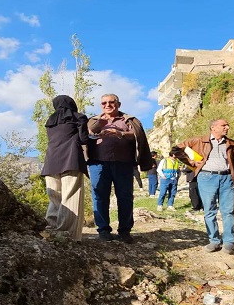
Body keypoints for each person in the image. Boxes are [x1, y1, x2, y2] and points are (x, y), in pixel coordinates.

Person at [171, 119, 234, 254]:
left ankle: (229, 242)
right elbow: (176, 149)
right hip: (206, 177)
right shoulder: (198, 141)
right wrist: (190, 161)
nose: (227, 127)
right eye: (224, 125)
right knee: (209, 210)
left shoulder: (232, 143)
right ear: (213, 127)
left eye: (227, 125)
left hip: (227, 178)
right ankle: (214, 241)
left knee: (228, 211)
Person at [87, 94, 152, 243]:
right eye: (104, 103)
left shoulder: (129, 120)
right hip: (98, 164)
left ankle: (124, 231)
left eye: (111, 102)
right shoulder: (93, 120)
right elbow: (87, 135)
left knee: (125, 197)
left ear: (119, 104)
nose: (107, 105)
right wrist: (98, 128)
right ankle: (103, 230)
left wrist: (120, 133)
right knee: (99, 197)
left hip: (123, 164)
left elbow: (137, 136)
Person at [41, 95, 89, 242]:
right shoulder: (78, 118)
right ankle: (69, 235)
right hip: (71, 160)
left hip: (51, 162)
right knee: (71, 197)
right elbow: (84, 139)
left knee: (54, 198)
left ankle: (51, 229)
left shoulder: (50, 121)